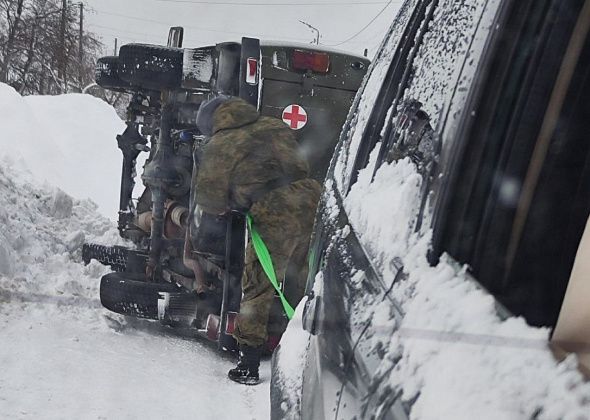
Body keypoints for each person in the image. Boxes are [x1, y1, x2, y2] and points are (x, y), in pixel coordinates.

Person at [194, 96, 321, 385]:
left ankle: (248, 365)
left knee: (258, 287)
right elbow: (300, 167)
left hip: (274, 212)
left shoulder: (221, 142)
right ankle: (306, 358)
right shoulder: (272, 125)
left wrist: (232, 202)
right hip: (310, 200)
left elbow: (208, 199)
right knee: (304, 280)